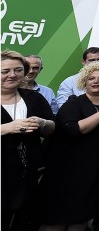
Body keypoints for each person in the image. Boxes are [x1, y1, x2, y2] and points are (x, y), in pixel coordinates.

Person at [37, 60, 99, 231]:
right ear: (84, 82)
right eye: (91, 78)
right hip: (68, 172)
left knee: (82, 217)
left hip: (97, 171)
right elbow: (74, 130)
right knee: (56, 220)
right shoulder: (73, 104)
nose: (96, 81)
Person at [1, 51, 55, 231]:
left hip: (28, 176)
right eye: (5, 71)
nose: (12, 75)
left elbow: (52, 128)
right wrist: (7, 128)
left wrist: (43, 123)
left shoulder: (34, 97)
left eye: (18, 70)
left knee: (24, 222)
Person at [55, 47, 99, 111]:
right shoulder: (68, 82)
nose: (96, 63)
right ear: (83, 62)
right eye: (92, 60)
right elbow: (63, 107)